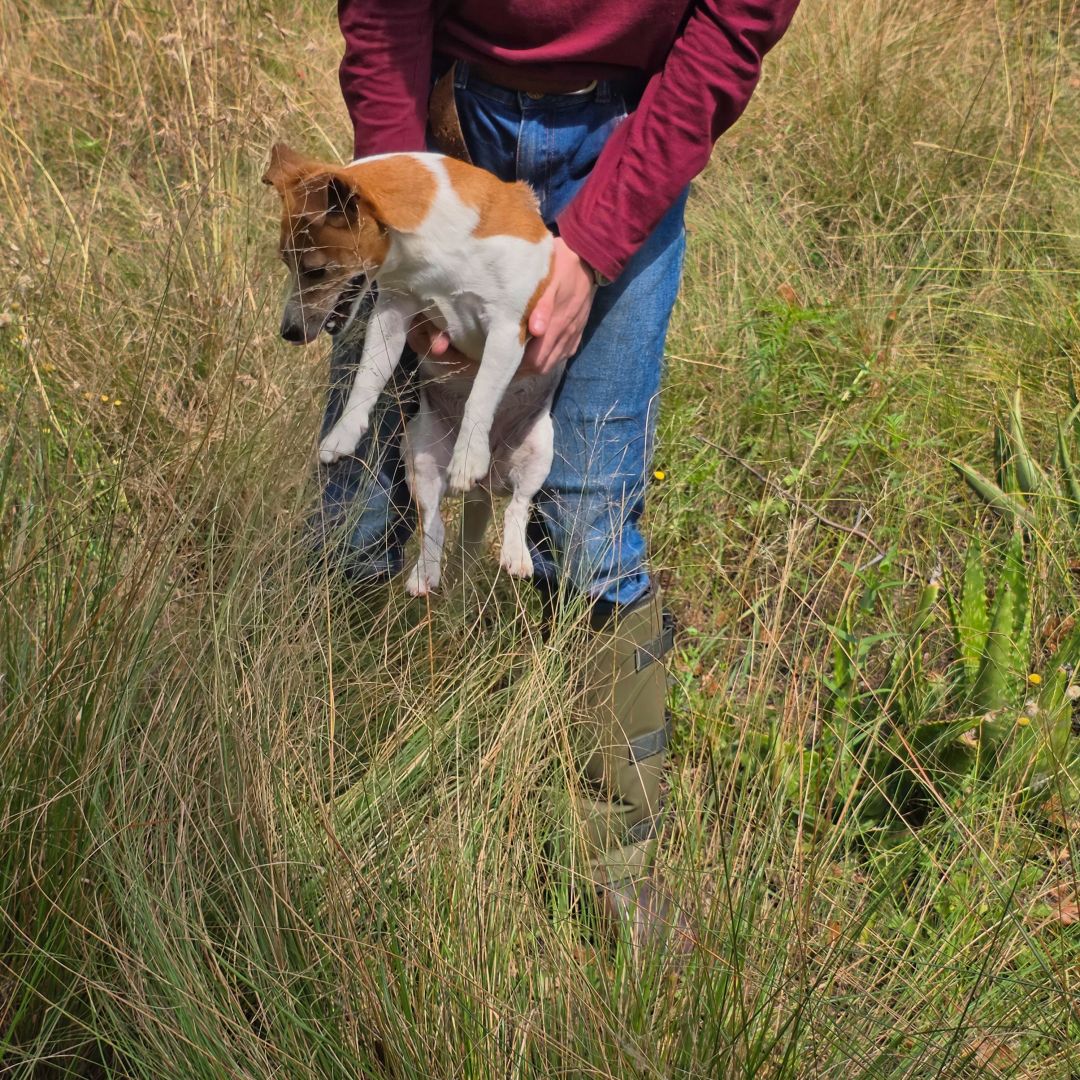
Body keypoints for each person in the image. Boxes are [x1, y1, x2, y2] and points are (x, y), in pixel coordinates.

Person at [318, 0, 800, 946]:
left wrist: (595, 241)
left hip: (630, 137)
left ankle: (611, 872)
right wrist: (402, 220)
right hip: (443, 128)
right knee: (359, 502)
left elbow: (733, 24)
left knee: (589, 520)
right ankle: (335, 807)